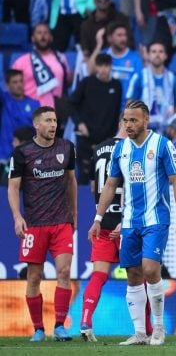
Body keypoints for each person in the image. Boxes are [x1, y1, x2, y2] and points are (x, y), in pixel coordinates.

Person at [88, 100, 176, 346]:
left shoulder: (162, 145)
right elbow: (110, 185)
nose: (129, 124)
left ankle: (158, 328)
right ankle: (139, 333)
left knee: (150, 268)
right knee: (133, 273)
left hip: (156, 219)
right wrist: (98, 219)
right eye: (126, 120)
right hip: (130, 221)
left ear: (146, 120)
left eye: (133, 120)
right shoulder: (120, 149)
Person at [81, 115, 154, 342]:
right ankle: (148, 329)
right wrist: (123, 219)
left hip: (102, 221)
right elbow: (130, 184)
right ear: (125, 123)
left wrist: (99, 217)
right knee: (141, 275)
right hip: (127, 221)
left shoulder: (99, 148)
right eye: (132, 122)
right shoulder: (129, 148)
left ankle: (85, 321)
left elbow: (96, 186)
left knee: (99, 275)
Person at [8, 106, 77, 342]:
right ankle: (38, 329)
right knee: (34, 277)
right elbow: (13, 187)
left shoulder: (67, 148)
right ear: (37, 124)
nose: (53, 125)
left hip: (61, 221)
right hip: (35, 224)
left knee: (65, 272)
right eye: (48, 120)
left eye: (55, 121)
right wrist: (18, 217)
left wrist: (74, 214)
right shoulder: (22, 152)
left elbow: (71, 182)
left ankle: (59, 326)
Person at [69, 53, 122, 185]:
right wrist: (79, 123)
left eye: (106, 66)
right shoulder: (87, 82)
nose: (103, 69)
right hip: (86, 137)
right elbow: (71, 104)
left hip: (107, 139)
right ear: (96, 67)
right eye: (100, 66)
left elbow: (117, 111)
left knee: (106, 176)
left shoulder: (117, 86)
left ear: (111, 67)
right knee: (84, 175)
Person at [12, 23, 72, 109]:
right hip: (29, 110)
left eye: (46, 33)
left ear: (51, 38)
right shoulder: (21, 61)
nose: (43, 36)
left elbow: (66, 82)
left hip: (56, 110)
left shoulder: (61, 58)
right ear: (33, 38)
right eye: (39, 33)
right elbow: (12, 85)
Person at [127, 41, 176, 132]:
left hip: (165, 128)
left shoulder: (171, 77)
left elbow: (175, 105)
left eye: (160, 51)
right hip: (143, 128)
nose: (157, 54)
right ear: (148, 55)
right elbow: (130, 103)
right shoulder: (139, 76)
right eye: (153, 51)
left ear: (166, 56)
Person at [0, 70, 40, 168]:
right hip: (4, 156)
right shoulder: (4, 100)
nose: (19, 85)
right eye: (14, 82)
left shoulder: (35, 104)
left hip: (26, 158)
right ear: (7, 85)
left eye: (21, 81)